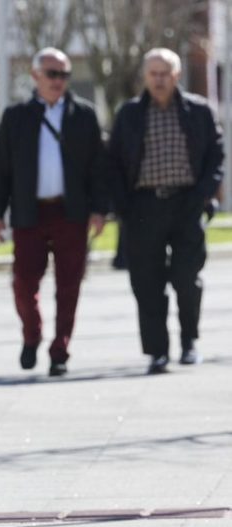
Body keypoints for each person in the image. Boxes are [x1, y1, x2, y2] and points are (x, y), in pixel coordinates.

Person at [0, 47, 106, 377]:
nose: (58, 81)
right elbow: (2, 169)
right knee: (23, 284)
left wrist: (100, 210)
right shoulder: (16, 117)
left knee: (70, 285)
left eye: (64, 75)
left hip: (71, 213)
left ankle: (60, 351)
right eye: (52, 74)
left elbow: (99, 167)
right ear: (35, 76)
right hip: (30, 212)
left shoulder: (84, 115)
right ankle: (32, 334)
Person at [108, 47, 223, 375]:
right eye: (153, 74)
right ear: (145, 77)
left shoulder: (198, 111)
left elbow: (216, 155)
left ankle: (189, 342)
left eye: (165, 74)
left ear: (176, 76)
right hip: (143, 207)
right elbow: (113, 162)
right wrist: (123, 206)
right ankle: (157, 351)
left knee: (188, 278)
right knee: (147, 282)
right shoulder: (129, 113)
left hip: (187, 203)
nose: (159, 80)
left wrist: (202, 194)